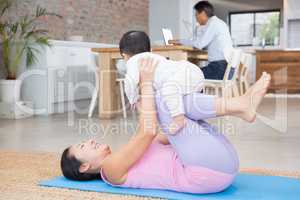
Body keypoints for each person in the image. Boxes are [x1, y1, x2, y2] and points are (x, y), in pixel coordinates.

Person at [60, 58, 271, 194]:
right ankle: (240, 105)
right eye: (82, 146)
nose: (89, 141)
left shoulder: (125, 155)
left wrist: (147, 104)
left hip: (220, 166)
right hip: (206, 173)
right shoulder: (110, 170)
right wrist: (147, 83)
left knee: (172, 101)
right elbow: (149, 130)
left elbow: (161, 133)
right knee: (166, 101)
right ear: (84, 167)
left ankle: (241, 106)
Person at [120, 30, 205, 134]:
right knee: (168, 94)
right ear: (150, 50)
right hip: (192, 71)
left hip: (186, 75)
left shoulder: (132, 61)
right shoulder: (154, 57)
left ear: (124, 56)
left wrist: (133, 99)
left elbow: (129, 82)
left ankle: (179, 118)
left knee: (169, 89)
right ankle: (192, 116)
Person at [169, 1, 233, 80]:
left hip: (220, 68)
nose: (196, 18)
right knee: (193, 73)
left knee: (188, 76)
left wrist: (179, 41)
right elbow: (203, 43)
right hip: (225, 68)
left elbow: (200, 44)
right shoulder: (219, 23)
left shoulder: (213, 24)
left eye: (196, 15)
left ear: (202, 13)